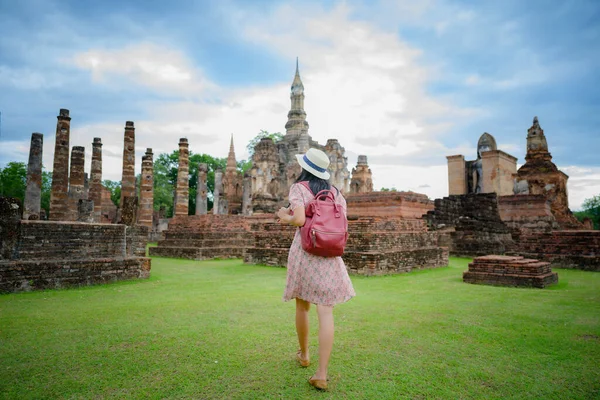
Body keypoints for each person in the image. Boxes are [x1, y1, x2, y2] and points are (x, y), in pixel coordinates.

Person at [275, 148, 356, 391]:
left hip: (306, 252)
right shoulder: (336, 192)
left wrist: (284, 216)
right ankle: (321, 373)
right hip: (330, 254)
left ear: (304, 168)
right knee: (326, 312)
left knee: (302, 305)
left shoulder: (299, 188)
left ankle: (304, 354)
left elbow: (299, 219)